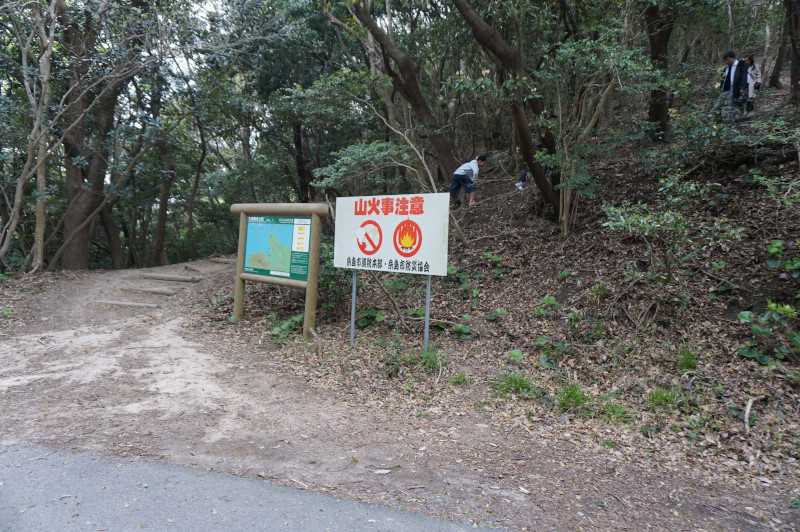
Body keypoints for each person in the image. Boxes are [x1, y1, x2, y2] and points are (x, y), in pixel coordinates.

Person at [713, 50, 748, 123]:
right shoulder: (726, 67)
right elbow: (722, 78)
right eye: (725, 60)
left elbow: (744, 78)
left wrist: (742, 89)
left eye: (727, 60)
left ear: (731, 58)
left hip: (734, 89)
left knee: (729, 107)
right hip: (725, 90)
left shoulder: (741, 65)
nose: (726, 62)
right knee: (717, 105)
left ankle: (729, 122)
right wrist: (717, 86)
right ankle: (715, 119)